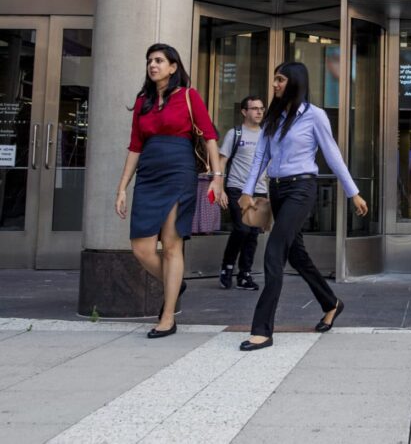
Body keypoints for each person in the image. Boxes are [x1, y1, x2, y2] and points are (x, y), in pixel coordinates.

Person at [238, 62, 368, 351]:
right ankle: (331, 302)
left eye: (280, 79)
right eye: (274, 79)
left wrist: (353, 192)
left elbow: (332, 154)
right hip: (277, 189)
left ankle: (261, 329)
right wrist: (247, 191)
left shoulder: (315, 116)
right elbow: (260, 155)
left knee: (274, 251)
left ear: (295, 82)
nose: (274, 84)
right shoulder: (273, 116)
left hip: (301, 188)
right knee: (296, 255)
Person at [114, 44, 225, 338]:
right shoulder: (143, 101)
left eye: (159, 60)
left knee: (172, 245)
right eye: (150, 60)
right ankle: (175, 283)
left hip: (179, 172)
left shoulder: (189, 96)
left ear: (173, 67)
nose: (153, 65)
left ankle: (167, 316)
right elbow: (135, 145)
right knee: (142, 248)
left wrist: (217, 176)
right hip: (149, 174)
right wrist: (122, 187)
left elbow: (210, 137)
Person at [218, 95, 267, 291]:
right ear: (244, 112)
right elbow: (222, 161)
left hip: (260, 190)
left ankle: (244, 274)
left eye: (261, 108)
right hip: (237, 188)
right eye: (254, 108)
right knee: (242, 228)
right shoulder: (235, 133)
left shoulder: (267, 135)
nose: (259, 112)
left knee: (253, 233)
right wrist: (219, 187)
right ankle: (227, 267)